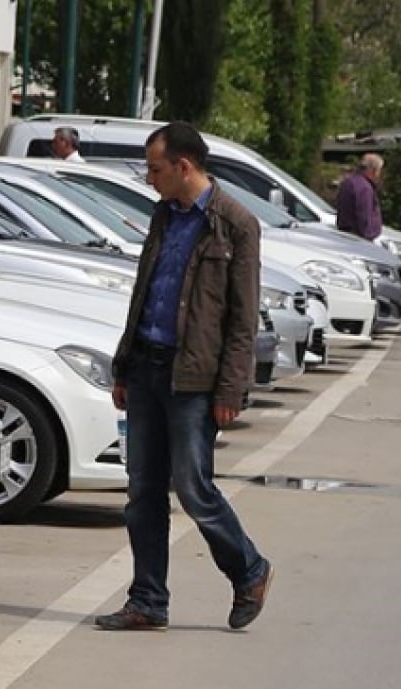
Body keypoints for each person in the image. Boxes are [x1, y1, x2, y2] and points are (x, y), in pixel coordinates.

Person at [97, 121, 273, 632]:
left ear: (184, 166)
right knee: (142, 491)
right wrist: (124, 365)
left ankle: (250, 570)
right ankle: (148, 601)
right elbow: (144, 295)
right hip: (148, 367)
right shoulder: (163, 215)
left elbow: (243, 317)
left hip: (193, 380)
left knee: (193, 487)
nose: (148, 178)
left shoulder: (235, 224)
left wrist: (230, 389)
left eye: (155, 168)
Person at [335, 153, 384, 240]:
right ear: (373, 170)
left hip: (344, 234)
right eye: (379, 170)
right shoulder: (364, 188)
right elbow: (363, 218)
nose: (379, 175)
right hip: (358, 239)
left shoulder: (348, 182)